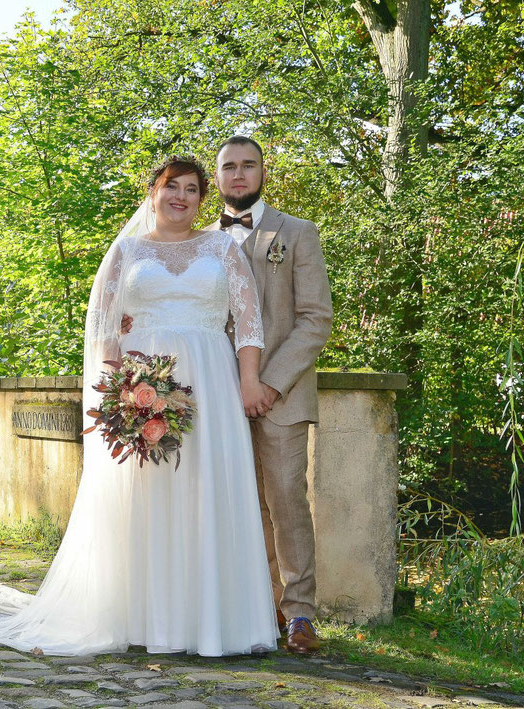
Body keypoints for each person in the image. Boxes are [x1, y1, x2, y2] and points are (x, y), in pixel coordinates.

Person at [0, 156, 278, 657]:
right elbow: (104, 328)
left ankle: (212, 624)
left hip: (211, 384)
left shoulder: (224, 249)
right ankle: (146, 620)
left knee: (205, 489)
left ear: (201, 199)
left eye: (192, 190)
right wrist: (118, 391)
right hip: (142, 380)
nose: (182, 197)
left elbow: (249, 323)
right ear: (153, 192)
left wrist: (249, 379)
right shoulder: (126, 252)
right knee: (146, 495)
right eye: (173, 187)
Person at [207, 135, 333, 655]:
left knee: (285, 500)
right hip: (215, 396)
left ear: (263, 171)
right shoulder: (198, 242)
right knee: (237, 502)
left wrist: (268, 382)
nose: (238, 175)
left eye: (248, 165)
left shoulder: (297, 233)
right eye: (229, 167)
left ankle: (299, 613)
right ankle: (258, 606)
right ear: (217, 177)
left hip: (281, 395)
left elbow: (314, 320)